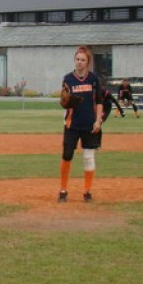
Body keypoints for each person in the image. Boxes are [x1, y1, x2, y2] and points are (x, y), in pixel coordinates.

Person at [58, 45, 104, 204]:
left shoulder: (93, 79)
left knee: (88, 157)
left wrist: (98, 121)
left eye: (83, 60)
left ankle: (87, 191)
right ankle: (63, 190)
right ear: (74, 60)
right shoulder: (67, 79)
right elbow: (63, 101)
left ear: (88, 62)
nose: (79, 62)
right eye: (77, 59)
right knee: (67, 155)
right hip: (72, 124)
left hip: (89, 124)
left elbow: (99, 101)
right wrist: (65, 101)